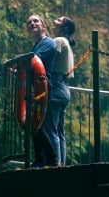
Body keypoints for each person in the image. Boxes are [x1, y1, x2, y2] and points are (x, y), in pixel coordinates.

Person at [42, 16, 76, 167]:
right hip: (64, 88)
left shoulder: (58, 41)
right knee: (59, 131)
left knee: (50, 129)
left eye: (58, 20)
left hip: (55, 86)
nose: (54, 21)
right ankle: (61, 163)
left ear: (64, 27)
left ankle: (55, 163)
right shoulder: (67, 43)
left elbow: (48, 62)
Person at [26, 14, 57, 168]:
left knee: (39, 124)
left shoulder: (48, 43)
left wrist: (18, 62)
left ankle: (50, 159)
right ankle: (41, 159)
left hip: (43, 90)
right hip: (36, 90)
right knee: (35, 124)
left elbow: (33, 61)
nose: (32, 23)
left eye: (35, 21)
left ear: (43, 26)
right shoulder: (36, 45)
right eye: (29, 23)